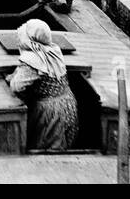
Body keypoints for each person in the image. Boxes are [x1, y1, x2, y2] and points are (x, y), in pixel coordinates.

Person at [7, 18, 79, 151]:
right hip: (67, 102)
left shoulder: (33, 60)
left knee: (48, 144)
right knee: (61, 142)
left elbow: (17, 86)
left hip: (50, 111)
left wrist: (12, 78)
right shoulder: (53, 50)